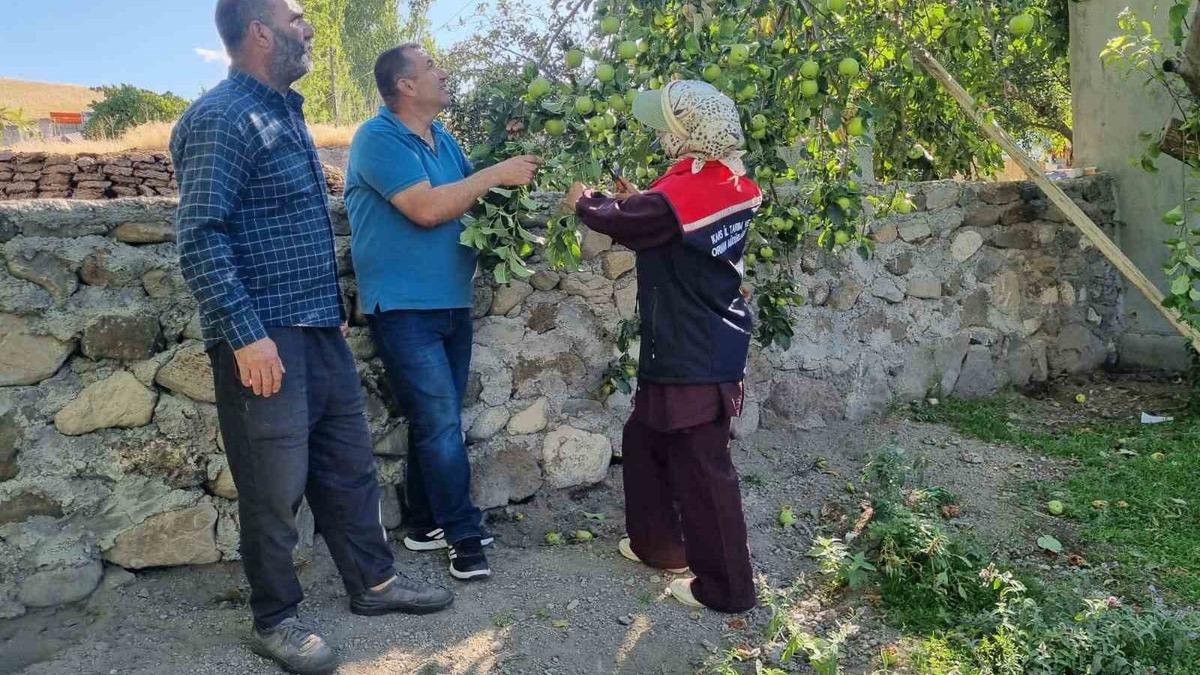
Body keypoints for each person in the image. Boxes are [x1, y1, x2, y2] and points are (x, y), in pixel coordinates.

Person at [173, 2, 452, 672]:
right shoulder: (221, 117)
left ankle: (374, 584)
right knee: (272, 489)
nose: (309, 27)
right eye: (295, 18)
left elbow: (287, 226)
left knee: (349, 467)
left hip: (316, 327)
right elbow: (200, 236)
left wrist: (329, 308)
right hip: (264, 336)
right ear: (259, 31)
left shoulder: (283, 113)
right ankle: (275, 619)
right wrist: (246, 337)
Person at [562, 80, 761, 613]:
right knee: (646, 440)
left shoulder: (682, 197)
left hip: (695, 351)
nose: (660, 132)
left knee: (704, 469)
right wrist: (639, 201)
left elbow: (630, 221)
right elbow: (661, 218)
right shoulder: (722, 179)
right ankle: (660, 545)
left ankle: (729, 588)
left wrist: (585, 201)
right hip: (687, 342)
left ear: (689, 130)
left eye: (666, 123)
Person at [344, 44, 541, 582]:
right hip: (403, 307)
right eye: (432, 66)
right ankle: (463, 534)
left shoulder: (444, 139)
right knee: (439, 421)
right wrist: (494, 173)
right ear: (405, 85)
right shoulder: (377, 137)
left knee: (435, 419)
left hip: (451, 301)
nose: (444, 72)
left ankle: (424, 522)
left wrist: (507, 155)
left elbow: (470, 194)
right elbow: (428, 208)